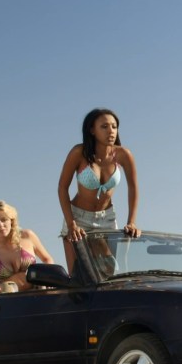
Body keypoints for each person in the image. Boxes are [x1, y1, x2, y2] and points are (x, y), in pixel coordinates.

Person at [58, 108, 140, 274]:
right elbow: (62, 188)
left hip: (107, 218)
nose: (111, 131)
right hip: (77, 219)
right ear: (92, 130)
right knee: (79, 275)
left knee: (108, 271)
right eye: (104, 126)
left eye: (114, 126)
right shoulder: (79, 153)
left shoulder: (123, 154)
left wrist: (131, 221)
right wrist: (71, 224)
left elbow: (133, 187)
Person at [0, 200, 54, 301]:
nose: (0, 225)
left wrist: (48, 279)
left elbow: (47, 259)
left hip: (39, 295)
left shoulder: (27, 236)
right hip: (11, 301)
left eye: (4, 219)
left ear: (11, 220)